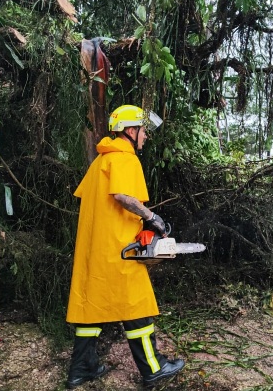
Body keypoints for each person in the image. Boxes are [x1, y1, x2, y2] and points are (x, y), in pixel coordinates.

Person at [65, 105, 184, 388]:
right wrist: (152, 217)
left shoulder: (101, 161)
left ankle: (82, 368)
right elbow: (121, 195)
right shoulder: (124, 159)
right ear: (131, 131)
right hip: (119, 250)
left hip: (97, 249)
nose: (145, 137)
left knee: (91, 308)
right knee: (137, 305)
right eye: (143, 131)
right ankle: (153, 369)